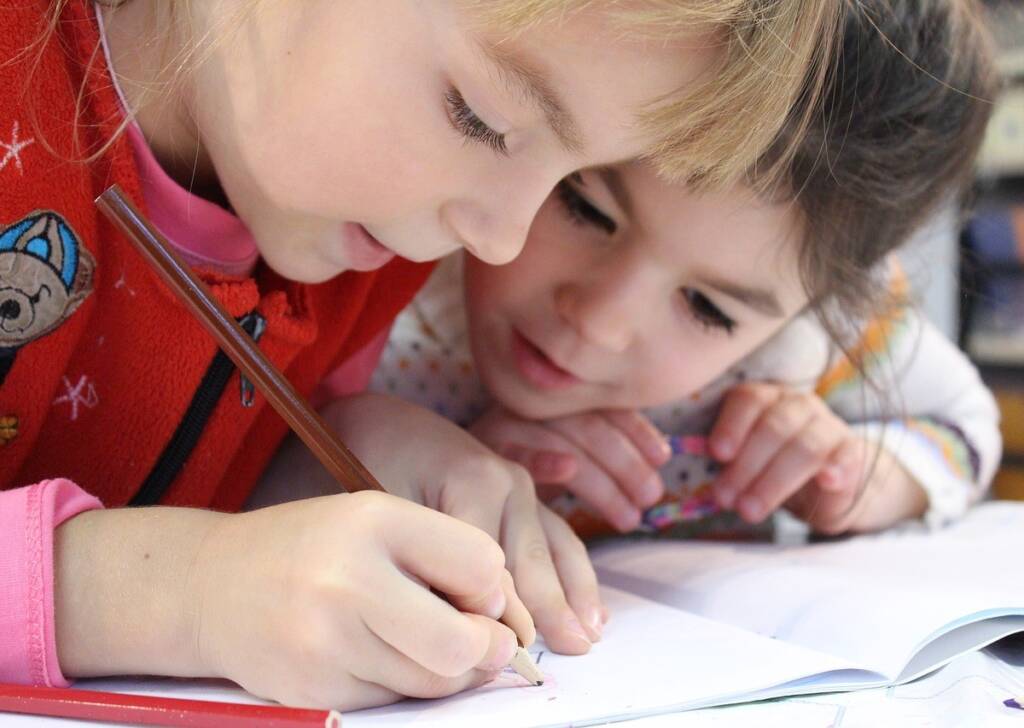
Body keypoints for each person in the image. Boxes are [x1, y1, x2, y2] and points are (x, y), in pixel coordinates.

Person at [0, 0, 842, 711]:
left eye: (571, 177)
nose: (504, 240)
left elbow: (175, 475)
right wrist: (183, 594)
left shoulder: (361, 243)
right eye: (485, 118)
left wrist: (338, 455)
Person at [367, 0, 1000, 543]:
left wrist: (866, 475)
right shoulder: (387, 258)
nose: (599, 323)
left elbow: (967, 425)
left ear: (818, 306)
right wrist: (411, 460)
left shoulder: (820, 345)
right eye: (584, 208)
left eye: (708, 309)